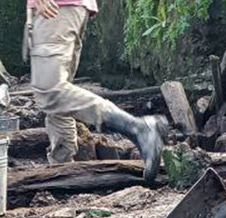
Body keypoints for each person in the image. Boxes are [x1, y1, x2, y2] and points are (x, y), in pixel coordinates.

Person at [24, 0, 166, 182]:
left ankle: (138, 128)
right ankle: (63, 174)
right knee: (59, 101)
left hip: (55, 9)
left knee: (51, 91)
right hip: (62, 10)